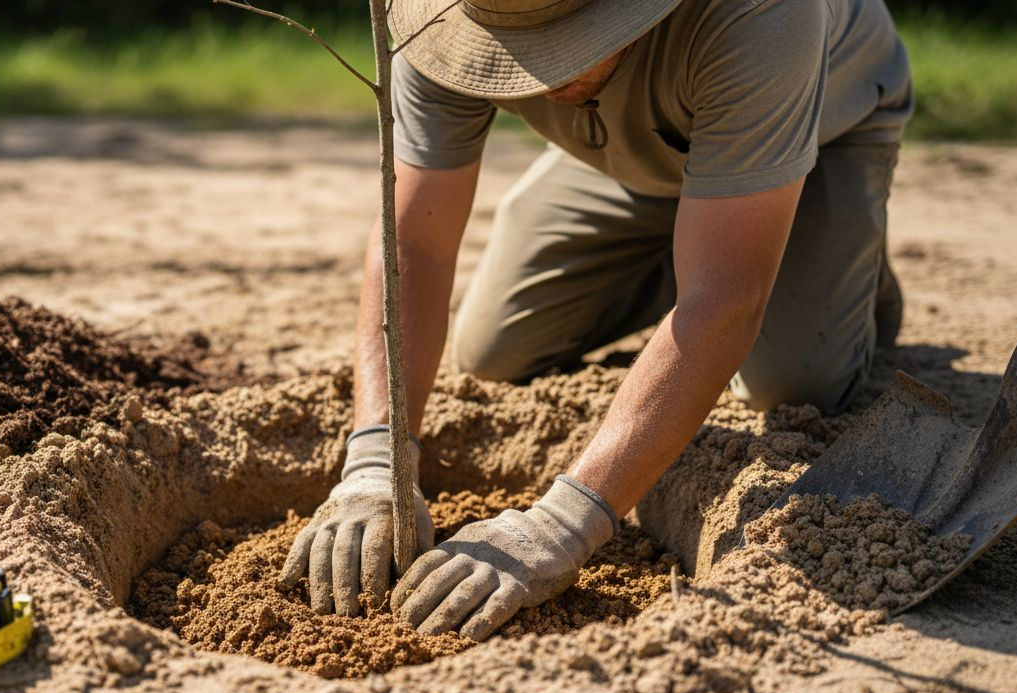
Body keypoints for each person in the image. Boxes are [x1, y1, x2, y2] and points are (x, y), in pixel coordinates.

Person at [280, 0, 913, 640]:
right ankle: (704, 233)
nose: (542, 74)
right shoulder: (438, 17)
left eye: (567, 44)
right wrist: (373, 460)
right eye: (517, 50)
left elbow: (724, 300)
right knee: (496, 350)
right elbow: (413, 242)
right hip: (637, 155)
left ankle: (810, 251)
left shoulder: (765, 14)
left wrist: (566, 521)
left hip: (819, 127)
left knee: (793, 379)